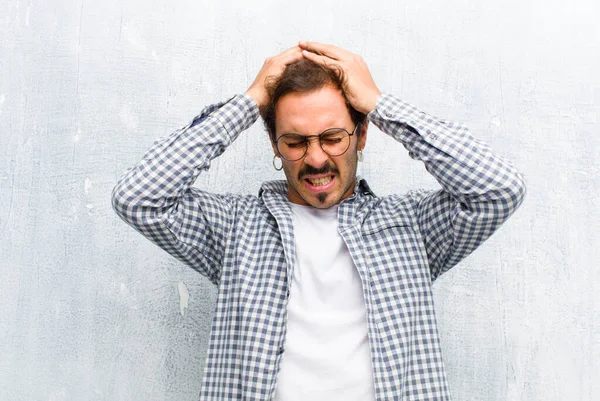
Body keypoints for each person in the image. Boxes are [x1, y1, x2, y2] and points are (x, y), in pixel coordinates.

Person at [111, 41, 526, 401]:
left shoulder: (412, 225)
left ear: (361, 136)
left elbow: (499, 189)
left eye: (332, 137)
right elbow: (139, 197)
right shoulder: (234, 228)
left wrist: (380, 104)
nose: (315, 158)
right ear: (275, 144)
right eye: (295, 141)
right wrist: (250, 101)